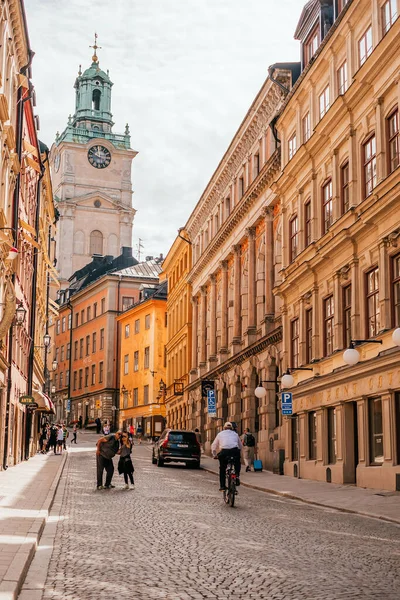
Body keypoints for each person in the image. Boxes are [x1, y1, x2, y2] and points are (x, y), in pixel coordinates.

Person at [211, 422, 242, 492]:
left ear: (224, 428)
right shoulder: (235, 434)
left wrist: (214, 454)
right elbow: (240, 446)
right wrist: (239, 452)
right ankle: (237, 475)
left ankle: (222, 486)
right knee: (237, 463)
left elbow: (213, 445)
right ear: (232, 428)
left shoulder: (220, 434)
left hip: (224, 452)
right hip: (234, 451)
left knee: (222, 468)